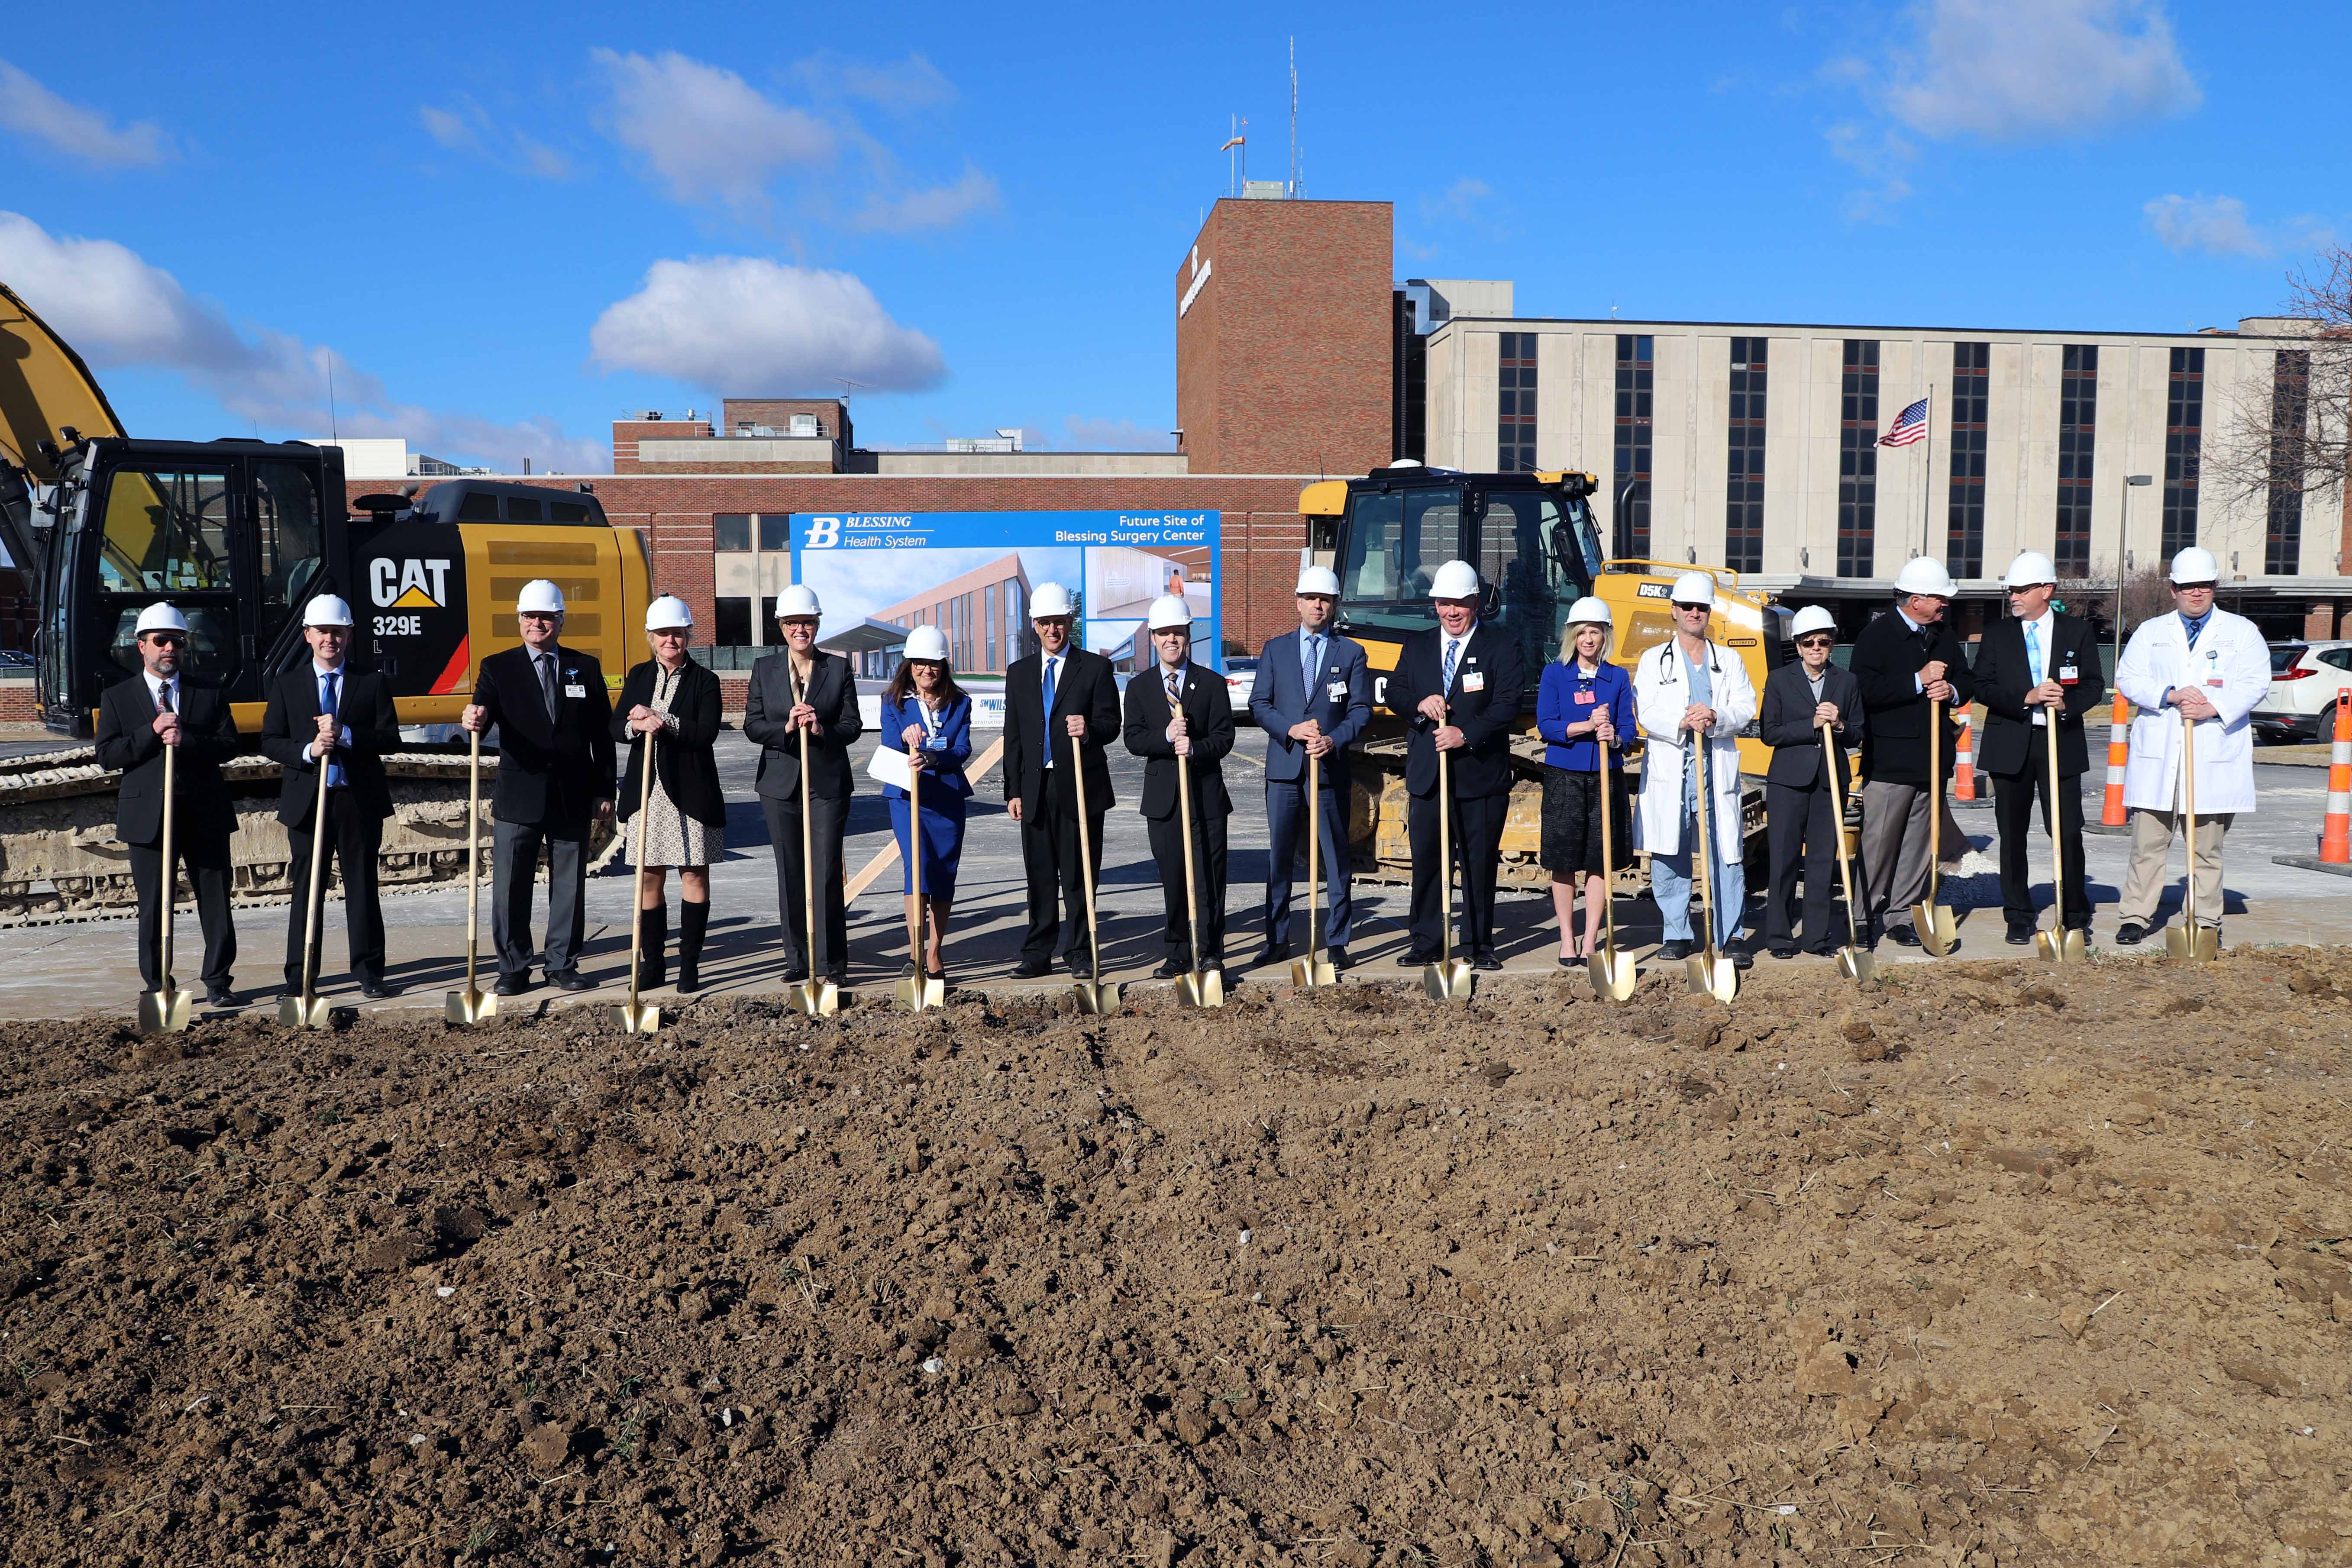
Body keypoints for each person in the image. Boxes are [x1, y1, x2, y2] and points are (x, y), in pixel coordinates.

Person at [462, 579, 616, 994]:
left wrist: (605, 789)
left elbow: (601, 733)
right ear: (520, 620)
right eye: (530, 616)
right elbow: (485, 710)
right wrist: (474, 717)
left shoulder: (584, 667)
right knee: (511, 884)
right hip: (520, 794)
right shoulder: (499, 667)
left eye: (546, 616)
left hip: (572, 793)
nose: (538, 624)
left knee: (569, 883)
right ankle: (513, 967)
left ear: (560, 620)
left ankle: (562, 963)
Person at [2111, 546, 2268, 947]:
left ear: (2214, 587)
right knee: (2148, 845)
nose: (2196, 594)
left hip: (2213, 751)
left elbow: (2255, 682)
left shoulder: (2242, 632)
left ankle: (2205, 919)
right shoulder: (2151, 632)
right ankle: (2135, 915)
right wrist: (2170, 694)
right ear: (2173, 590)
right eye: (2187, 587)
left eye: (2204, 586)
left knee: (2206, 849)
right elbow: (2128, 678)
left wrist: (2213, 708)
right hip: (2162, 751)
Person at [97, 602, 239, 1005]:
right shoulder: (118, 698)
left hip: (204, 813)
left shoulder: (207, 693)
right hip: (148, 818)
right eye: (161, 641)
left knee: (214, 900)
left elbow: (229, 745)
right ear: (141, 645)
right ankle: (158, 983)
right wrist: (151, 731)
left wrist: (188, 740)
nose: (169, 649)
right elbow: (108, 754)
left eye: (177, 641)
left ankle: (218, 981)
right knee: (153, 904)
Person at [260, 594, 401, 999]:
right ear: (308, 635)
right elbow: (271, 741)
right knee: (307, 890)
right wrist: (309, 750)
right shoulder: (287, 685)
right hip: (309, 801)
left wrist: (347, 735)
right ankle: (300, 975)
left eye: (338, 633)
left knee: (362, 887)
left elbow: (389, 737)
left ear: (349, 635)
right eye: (323, 632)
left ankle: (370, 971)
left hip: (357, 801)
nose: (330, 640)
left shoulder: (369, 682)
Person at [1391, 559, 1527, 971]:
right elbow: (1395, 690)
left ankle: (1479, 943)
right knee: (1428, 861)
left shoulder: (1501, 646)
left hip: (1479, 776)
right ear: (1435, 605)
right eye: (1444, 604)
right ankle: (1427, 940)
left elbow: (1508, 703)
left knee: (1478, 863)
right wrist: (1419, 708)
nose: (1452, 612)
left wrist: (1465, 734)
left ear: (1476, 603)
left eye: (1461, 604)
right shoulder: (1417, 647)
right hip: (1429, 777)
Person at [1973, 552, 2107, 945]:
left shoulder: (2076, 631)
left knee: (2066, 831)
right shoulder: (1997, 633)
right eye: (2011, 590)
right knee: (2012, 834)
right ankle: (2018, 913)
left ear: (2046, 591)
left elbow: (2094, 685)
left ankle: (2074, 912)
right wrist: (2026, 696)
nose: (2013, 596)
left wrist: (2067, 704)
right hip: (2011, 741)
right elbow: (1983, 686)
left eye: (2021, 589)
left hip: (2059, 743)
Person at [1849, 557, 1978, 950]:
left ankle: (1902, 914)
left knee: (1919, 846)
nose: (1945, 606)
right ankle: (1863, 916)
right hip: (1890, 763)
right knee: (1880, 844)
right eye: (1939, 599)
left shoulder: (1942, 635)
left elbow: (1965, 677)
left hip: (1932, 761)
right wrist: (1918, 682)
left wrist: (1952, 691)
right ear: (1916, 599)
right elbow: (1864, 691)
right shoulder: (1877, 636)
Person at [1633, 572, 1760, 963]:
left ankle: (1732, 934)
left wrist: (1715, 714)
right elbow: (1646, 710)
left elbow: (1746, 706)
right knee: (1669, 851)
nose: (1693, 613)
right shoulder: (1654, 660)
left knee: (1726, 851)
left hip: (1715, 766)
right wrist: (1683, 721)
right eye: (1686, 606)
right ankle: (1677, 931)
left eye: (1701, 607)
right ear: (1674, 611)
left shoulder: (1730, 660)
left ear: (1709, 612)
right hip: (1673, 767)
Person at [1249, 565, 1371, 968]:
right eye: (1312, 599)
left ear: (1334, 605)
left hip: (1327, 766)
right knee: (1280, 856)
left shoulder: (1351, 653)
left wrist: (1333, 739)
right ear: (1298, 602)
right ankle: (1277, 938)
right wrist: (1292, 729)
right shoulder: (1275, 649)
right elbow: (1259, 704)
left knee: (1336, 855)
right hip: (1284, 767)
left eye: (1326, 600)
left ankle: (1337, 940)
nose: (1318, 605)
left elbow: (1360, 709)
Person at [1002, 582, 1121, 978]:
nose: (1053, 630)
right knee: (1039, 874)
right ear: (1035, 625)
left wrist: (1088, 729)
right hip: (1036, 788)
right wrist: (1013, 790)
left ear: (1071, 622)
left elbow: (1111, 723)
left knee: (1079, 873)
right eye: (1046, 623)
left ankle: (1081, 951)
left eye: (1060, 622)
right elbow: (1014, 735)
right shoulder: (1019, 674)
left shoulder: (1096, 668)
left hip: (1081, 787)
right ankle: (1038, 952)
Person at [743, 583, 860, 989]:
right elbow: (753, 725)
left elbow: (852, 726)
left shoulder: (838, 668)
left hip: (826, 783)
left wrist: (821, 727)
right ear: (781, 626)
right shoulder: (765, 669)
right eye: (793, 622)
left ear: (817, 624)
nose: (801, 629)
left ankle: (833, 961)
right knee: (790, 871)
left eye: (808, 622)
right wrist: (787, 727)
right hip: (780, 784)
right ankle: (797, 957)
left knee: (826, 871)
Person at [613, 596, 724, 993]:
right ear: (651, 637)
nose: (670, 640)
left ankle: (690, 964)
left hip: (691, 792)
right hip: (649, 793)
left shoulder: (705, 681)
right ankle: (654, 963)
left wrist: (666, 721)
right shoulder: (639, 674)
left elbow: (706, 732)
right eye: (663, 634)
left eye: (677, 633)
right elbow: (616, 725)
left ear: (688, 635)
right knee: (648, 878)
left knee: (693, 873)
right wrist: (635, 725)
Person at [1123, 593, 1237, 979]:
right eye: (1164, 633)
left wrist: (1197, 747)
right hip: (1163, 801)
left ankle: (1209, 950)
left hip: (1205, 796)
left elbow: (1225, 736)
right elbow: (1133, 739)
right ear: (1153, 638)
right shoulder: (1139, 688)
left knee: (1208, 875)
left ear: (1189, 635)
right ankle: (1177, 951)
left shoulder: (1211, 683)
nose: (1172, 640)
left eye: (1179, 632)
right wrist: (1166, 737)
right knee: (1173, 876)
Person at [1757, 605, 1866, 958]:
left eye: (1823, 641)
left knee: (1822, 860)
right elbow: (1770, 733)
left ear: (1832, 644)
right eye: (1809, 642)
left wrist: (1838, 725)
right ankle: (1779, 937)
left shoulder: (1846, 681)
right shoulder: (1779, 679)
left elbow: (1859, 733)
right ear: (1798, 645)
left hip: (1830, 782)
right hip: (1788, 782)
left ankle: (1816, 938)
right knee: (1785, 860)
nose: (1816, 648)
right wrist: (1812, 725)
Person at [1535, 596, 1635, 964]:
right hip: (1565, 775)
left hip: (1606, 776)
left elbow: (1629, 728)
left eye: (1595, 632)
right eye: (1582, 633)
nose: (1588, 639)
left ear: (1605, 635)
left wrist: (1614, 735)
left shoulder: (1618, 676)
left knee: (1599, 859)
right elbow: (1547, 725)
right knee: (1564, 859)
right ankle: (1567, 937)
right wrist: (1586, 726)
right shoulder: (1555, 674)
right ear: (1572, 637)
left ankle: (1592, 938)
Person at [878, 625, 973, 983]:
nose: (926, 671)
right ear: (909, 665)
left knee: (944, 872)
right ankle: (914, 951)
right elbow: (889, 742)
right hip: (907, 797)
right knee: (917, 867)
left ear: (943, 665)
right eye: (919, 664)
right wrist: (906, 738)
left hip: (947, 797)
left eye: (933, 664)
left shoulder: (960, 702)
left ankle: (935, 951)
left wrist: (933, 758)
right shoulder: (893, 702)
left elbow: (962, 749)